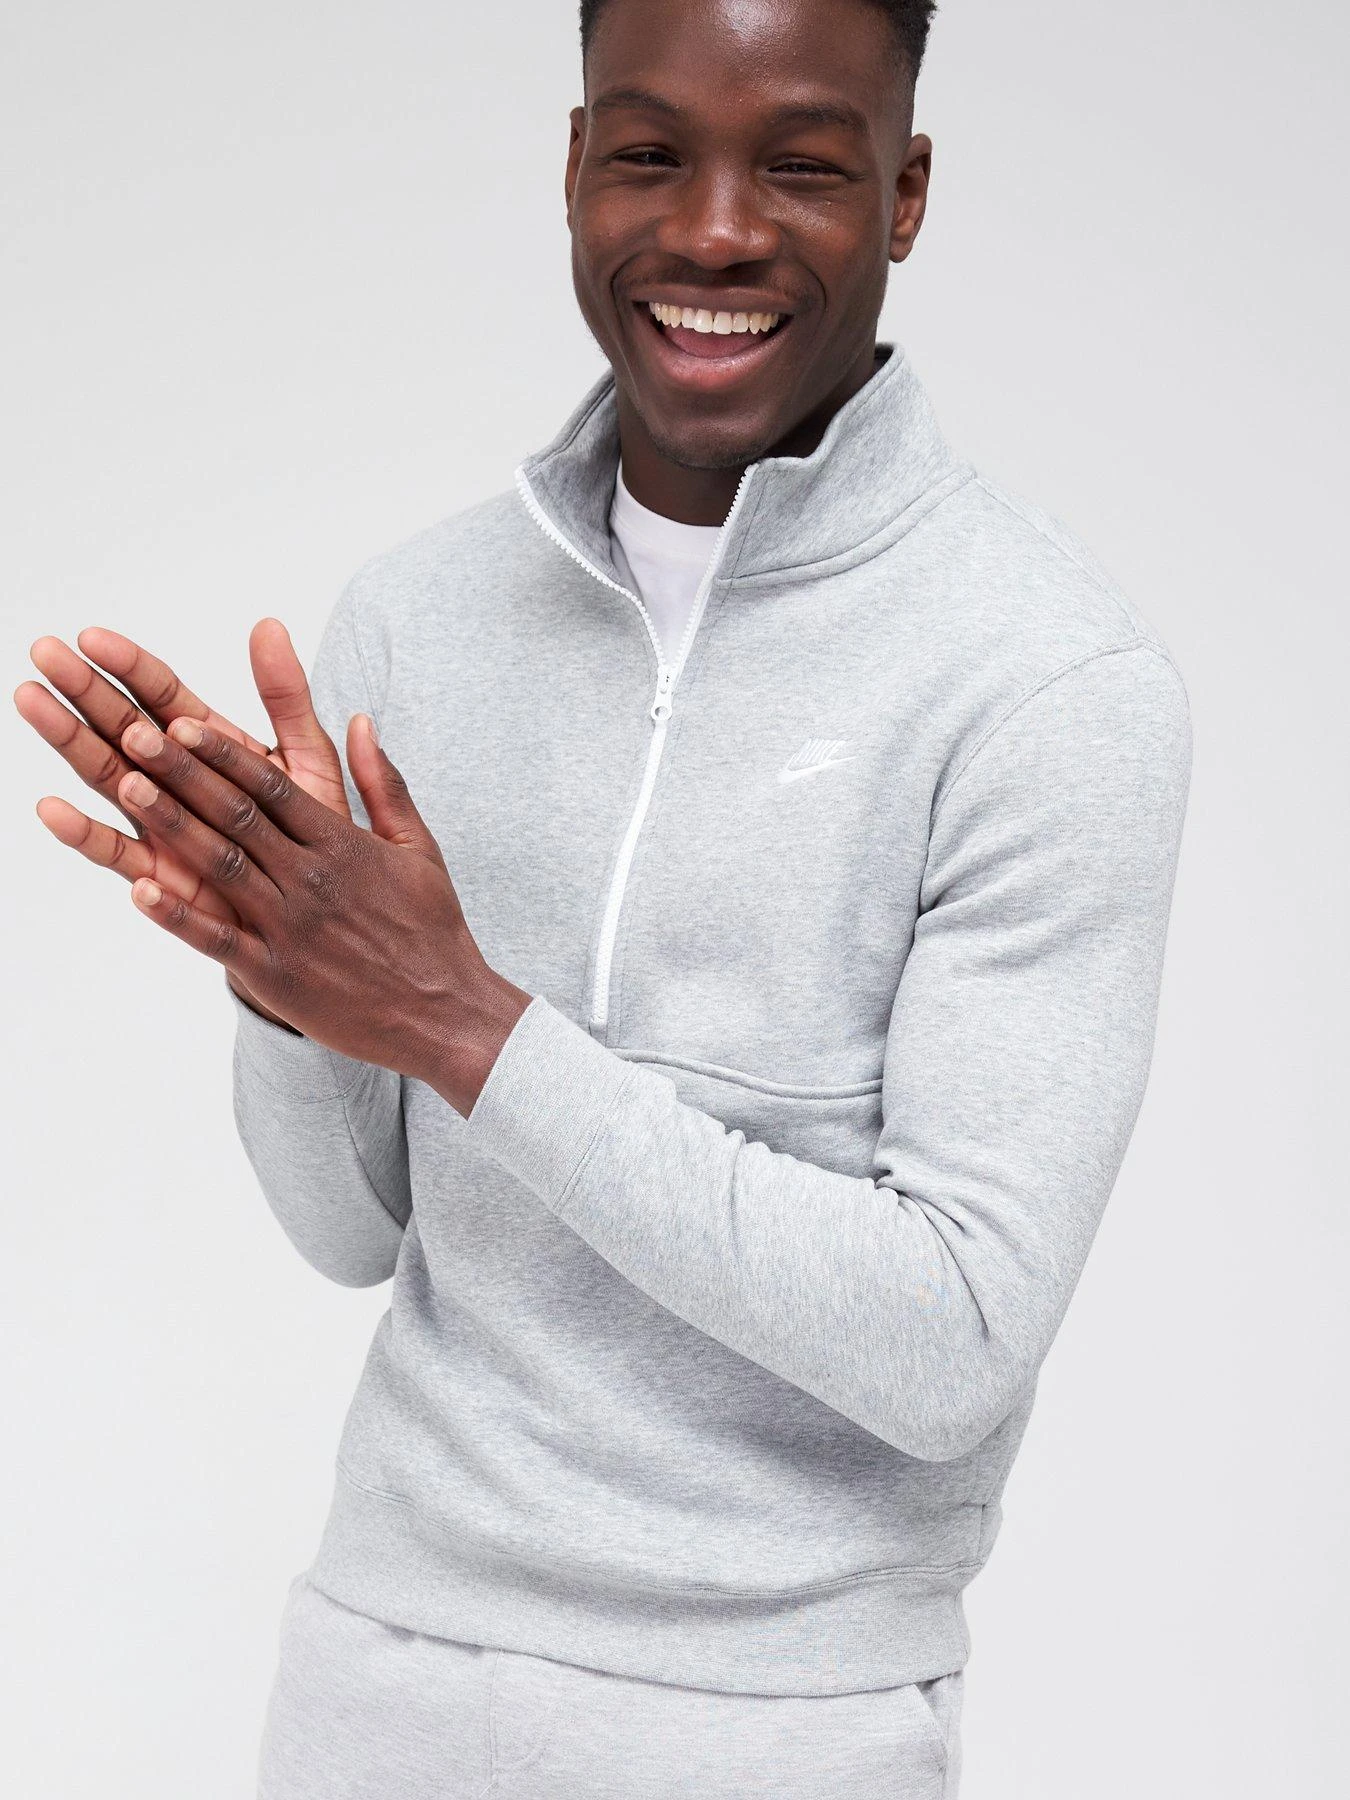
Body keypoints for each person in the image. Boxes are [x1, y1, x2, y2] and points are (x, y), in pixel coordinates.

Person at [15, 0, 1194, 1794]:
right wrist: (283, 978)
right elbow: (347, 1234)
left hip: (778, 1723)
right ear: (574, 169)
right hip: (374, 1677)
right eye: (649, 152)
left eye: (800, 166)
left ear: (904, 194)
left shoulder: (1047, 685)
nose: (713, 231)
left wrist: (460, 1024)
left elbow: (950, 1338)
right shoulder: (416, 617)